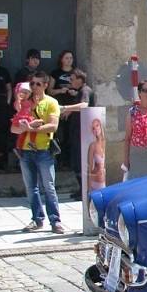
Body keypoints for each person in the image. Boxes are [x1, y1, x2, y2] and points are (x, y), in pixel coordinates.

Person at [10, 71, 64, 234]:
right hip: (25, 151)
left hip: (44, 150)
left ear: (45, 85)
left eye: (38, 84)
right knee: (31, 187)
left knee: (48, 187)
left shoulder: (51, 102)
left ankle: (55, 221)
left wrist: (33, 127)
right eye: (32, 84)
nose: (34, 87)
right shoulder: (26, 103)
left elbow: (53, 126)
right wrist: (23, 127)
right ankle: (37, 219)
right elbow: (13, 128)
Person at [59, 69, 94, 197]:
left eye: (72, 79)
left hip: (83, 132)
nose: (70, 81)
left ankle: (85, 191)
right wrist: (70, 111)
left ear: (80, 79)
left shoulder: (85, 90)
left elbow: (84, 105)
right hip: (76, 130)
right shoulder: (79, 92)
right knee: (76, 161)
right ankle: (81, 189)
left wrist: (65, 108)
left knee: (81, 161)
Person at [49, 50, 78, 167]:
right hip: (58, 107)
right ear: (61, 59)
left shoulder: (76, 72)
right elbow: (49, 91)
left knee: (71, 135)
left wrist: (74, 93)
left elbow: (81, 90)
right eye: (66, 58)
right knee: (59, 135)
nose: (69, 60)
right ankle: (59, 160)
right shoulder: (55, 73)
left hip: (72, 109)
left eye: (71, 58)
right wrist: (60, 90)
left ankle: (70, 161)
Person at [0, 49, 11, 171]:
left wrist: (7, 101)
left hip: (1, 105)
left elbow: (9, 88)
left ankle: (2, 162)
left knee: (1, 133)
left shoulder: (4, 71)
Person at [87, 118, 106, 193]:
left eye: (97, 125)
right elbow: (90, 167)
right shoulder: (92, 146)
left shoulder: (105, 142)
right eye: (93, 128)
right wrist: (88, 188)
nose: (96, 129)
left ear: (100, 126)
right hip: (95, 183)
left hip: (104, 181)